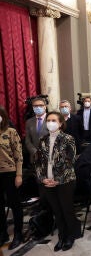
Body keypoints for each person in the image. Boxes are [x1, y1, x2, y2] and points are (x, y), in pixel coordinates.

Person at [35, 111, 79, 252]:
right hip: (47, 182)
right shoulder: (43, 140)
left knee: (67, 210)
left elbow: (69, 161)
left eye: (54, 120)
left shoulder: (68, 138)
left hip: (65, 181)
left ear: (60, 123)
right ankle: (61, 236)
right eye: (48, 120)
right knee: (57, 211)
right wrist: (43, 179)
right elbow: (38, 162)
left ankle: (70, 236)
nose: (50, 123)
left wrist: (57, 180)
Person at [0, 107, 24, 250]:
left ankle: (18, 233)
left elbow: (18, 155)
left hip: (10, 173)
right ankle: (3, 233)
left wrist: (19, 174)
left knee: (15, 205)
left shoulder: (10, 132)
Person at [25, 97, 49, 164]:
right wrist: (35, 152)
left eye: (41, 105)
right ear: (33, 108)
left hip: (50, 157)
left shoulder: (52, 119)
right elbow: (27, 141)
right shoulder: (29, 122)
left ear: (45, 107)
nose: (38, 107)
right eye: (35, 106)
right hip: (35, 158)